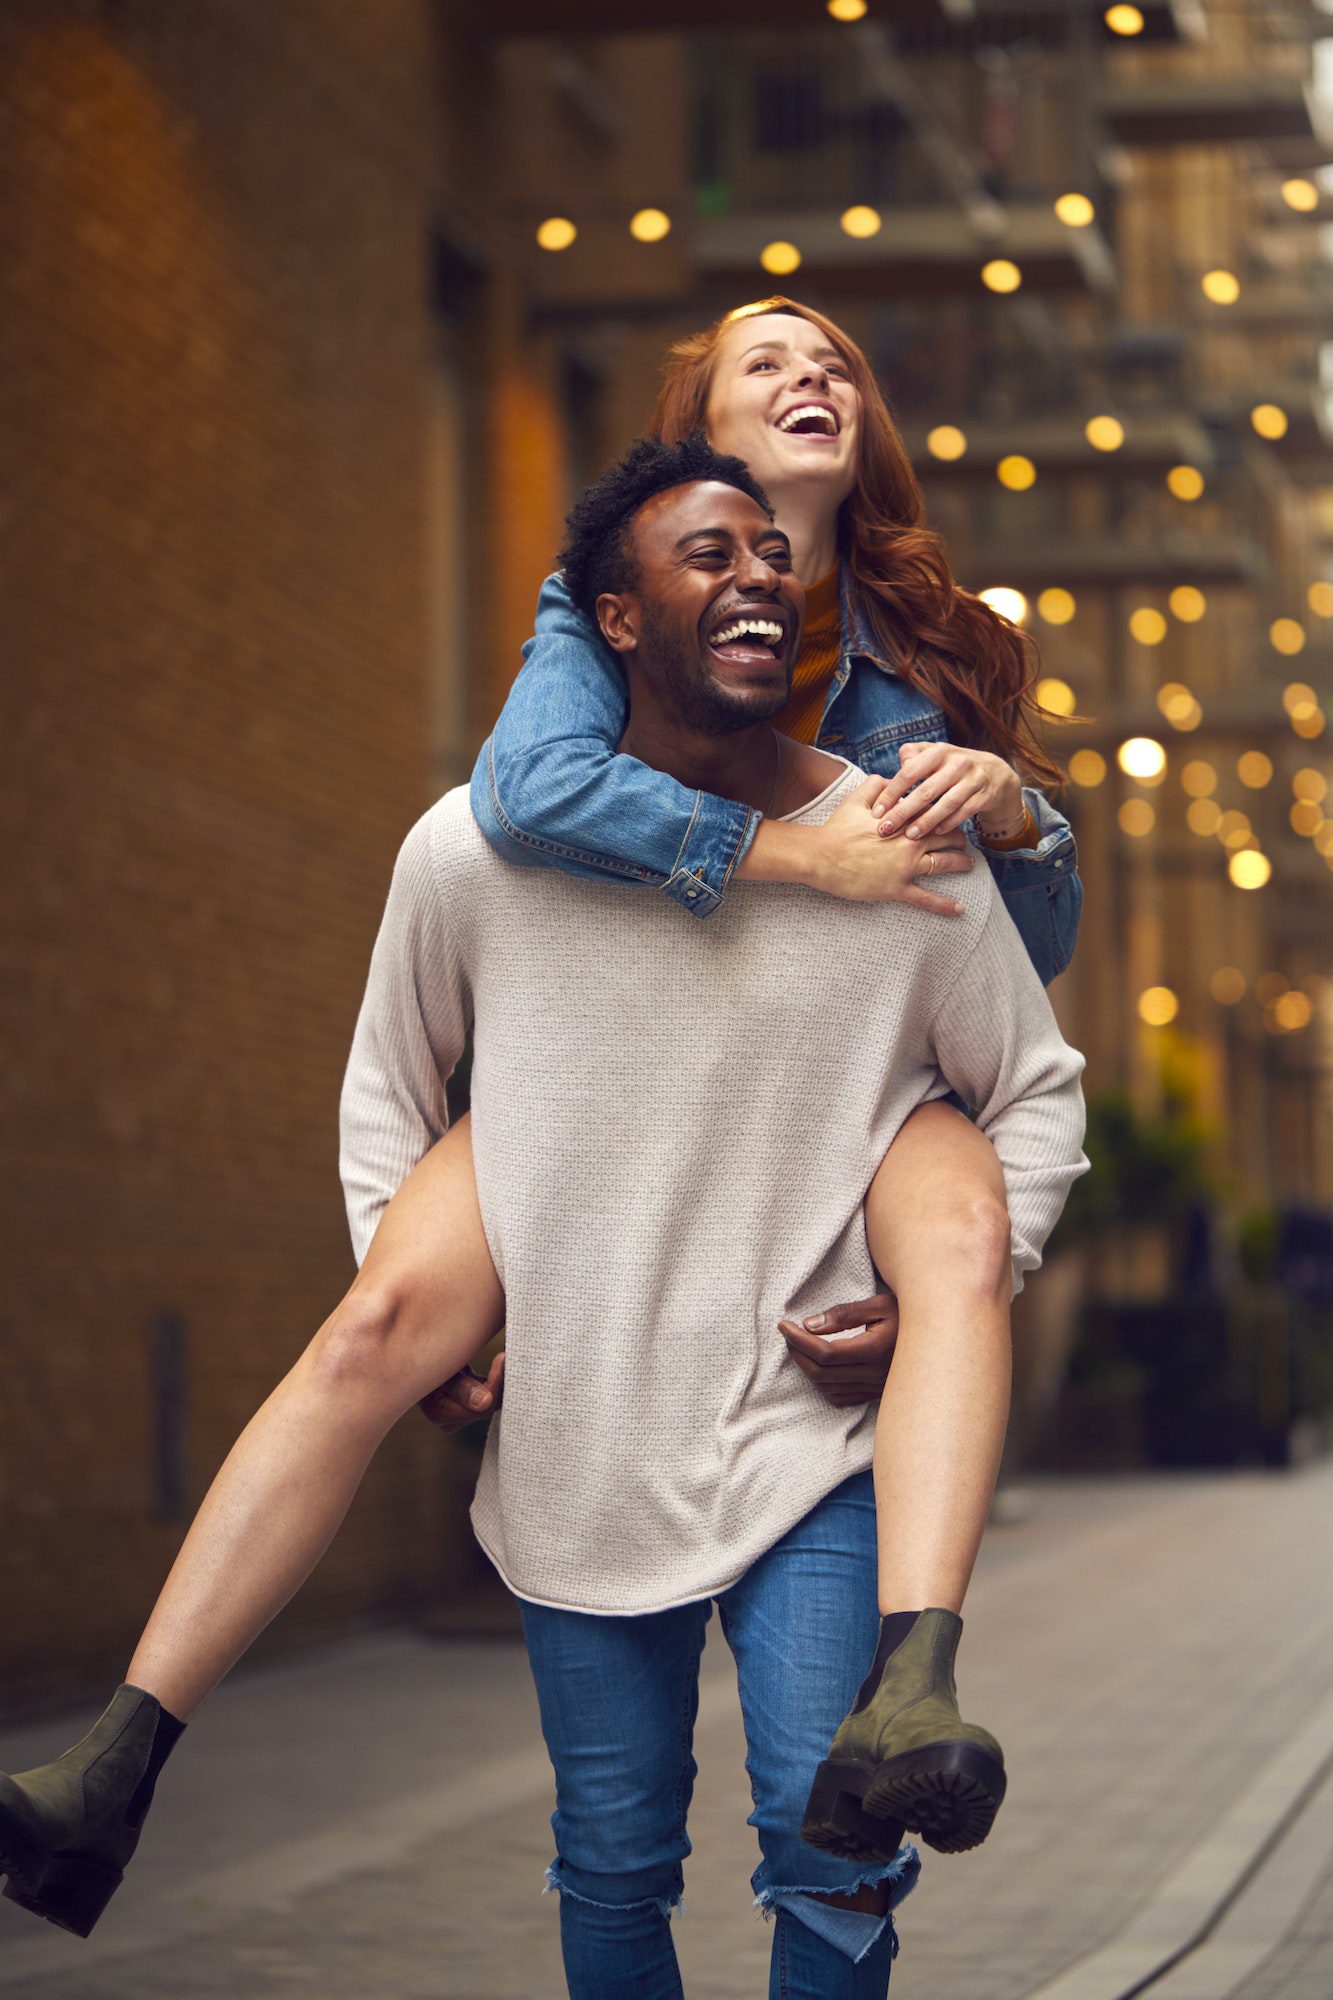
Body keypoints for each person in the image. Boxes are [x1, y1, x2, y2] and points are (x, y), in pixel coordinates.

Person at [0, 437, 1087, 2000]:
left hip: (814, 1444)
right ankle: (116, 1754)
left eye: (768, 557)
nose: (756, 578)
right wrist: (428, 1294)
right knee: (613, 1857)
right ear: (612, 621)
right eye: (705, 557)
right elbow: (389, 1087)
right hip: (582, 1443)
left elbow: (1032, 1090)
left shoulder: (898, 839)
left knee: (832, 1841)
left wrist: (952, 1298)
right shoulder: (475, 853)